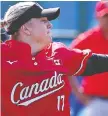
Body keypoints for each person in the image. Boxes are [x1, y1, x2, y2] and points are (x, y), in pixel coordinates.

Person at [1, 2, 108, 116]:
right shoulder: (3, 57)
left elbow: (94, 63)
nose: (50, 25)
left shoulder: (58, 53)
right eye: (43, 21)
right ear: (26, 29)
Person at [70, 1, 108, 116]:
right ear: (97, 17)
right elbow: (65, 63)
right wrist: (78, 92)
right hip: (96, 102)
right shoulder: (88, 38)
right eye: (105, 16)